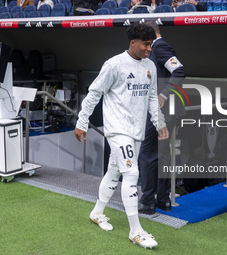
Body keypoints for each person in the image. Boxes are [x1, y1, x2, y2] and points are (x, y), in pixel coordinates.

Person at [74, 22, 169, 249]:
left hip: (136, 132)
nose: (149, 49)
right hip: (117, 130)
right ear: (133, 42)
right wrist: (82, 121)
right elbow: (94, 93)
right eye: (146, 44)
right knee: (131, 173)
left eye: (151, 44)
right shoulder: (114, 65)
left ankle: (97, 212)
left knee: (114, 171)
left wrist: (160, 122)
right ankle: (135, 230)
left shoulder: (150, 67)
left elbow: (151, 99)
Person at [138, 21, 186, 215]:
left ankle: (148, 201)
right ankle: (163, 199)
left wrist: (163, 95)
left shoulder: (160, 47)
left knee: (148, 154)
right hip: (169, 112)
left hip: (162, 111)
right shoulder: (158, 48)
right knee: (162, 155)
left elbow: (179, 71)